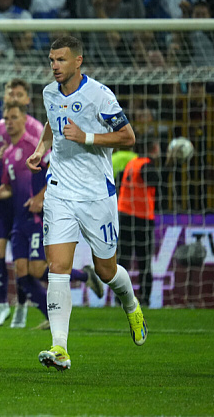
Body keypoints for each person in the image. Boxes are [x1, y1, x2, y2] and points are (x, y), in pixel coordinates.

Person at [26, 35, 146, 372]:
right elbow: (53, 122)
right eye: (51, 60)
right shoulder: (50, 93)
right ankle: (59, 348)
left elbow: (128, 137)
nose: (54, 66)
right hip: (60, 190)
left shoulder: (100, 95)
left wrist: (88, 137)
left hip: (97, 194)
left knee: (106, 270)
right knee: (58, 267)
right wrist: (40, 149)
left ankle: (130, 302)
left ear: (78, 61)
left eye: (61, 60)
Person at [0, 102, 50, 328]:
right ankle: (49, 314)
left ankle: (80, 278)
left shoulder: (34, 147)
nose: (9, 122)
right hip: (18, 221)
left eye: (14, 117)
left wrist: (40, 197)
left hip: (36, 218)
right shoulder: (6, 153)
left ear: (24, 119)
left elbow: (53, 174)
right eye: (6, 118)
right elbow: (7, 189)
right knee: (23, 275)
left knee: (37, 270)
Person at [118, 138, 161, 308]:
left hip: (125, 214)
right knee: (144, 261)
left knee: (124, 259)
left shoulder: (131, 164)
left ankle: (119, 297)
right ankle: (145, 298)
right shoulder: (147, 165)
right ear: (152, 148)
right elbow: (156, 182)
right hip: (141, 217)